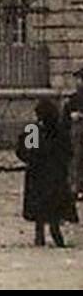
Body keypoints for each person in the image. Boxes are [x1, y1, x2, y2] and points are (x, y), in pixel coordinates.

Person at [16, 98, 77, 247]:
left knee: (39, 207)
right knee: (54, 207)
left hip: (37, 173)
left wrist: (32, 161)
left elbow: (24, 152)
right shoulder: (59, 129)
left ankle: (40, 236)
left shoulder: (34, 130)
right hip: (55, 174)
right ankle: (56, 236)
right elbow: (68, 152)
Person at [64, 68, 83, 200]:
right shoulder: (73, 99)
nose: (78, 82)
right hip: (76, 136)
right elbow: (64, 119)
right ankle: (75, 187)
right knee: (75, 161)